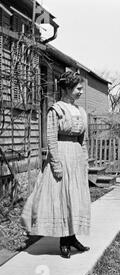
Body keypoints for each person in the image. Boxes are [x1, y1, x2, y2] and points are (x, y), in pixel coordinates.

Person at [21, 70, 91, 259]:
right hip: (61, 155)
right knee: (62, 198)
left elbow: (84, 140)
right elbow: (51, 138)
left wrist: (84, 161)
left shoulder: (81, 111)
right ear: (67, 88)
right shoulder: (56, 110)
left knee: (75, 198)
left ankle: (73, 237)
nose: (81, 92)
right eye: (78, 88)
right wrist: (56, 164)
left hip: (76, 158)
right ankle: (64, 242)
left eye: (81, 89)